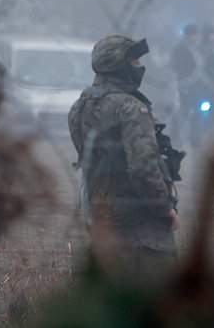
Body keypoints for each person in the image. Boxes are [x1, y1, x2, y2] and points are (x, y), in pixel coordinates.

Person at [69, 34, 179, 277]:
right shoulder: (130, 107)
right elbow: (143, 167)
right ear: (119, 65)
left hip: (99, 212)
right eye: (134, 61)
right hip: (139, 218)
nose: (139, 67)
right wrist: (164, 209)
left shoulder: (80, 106)